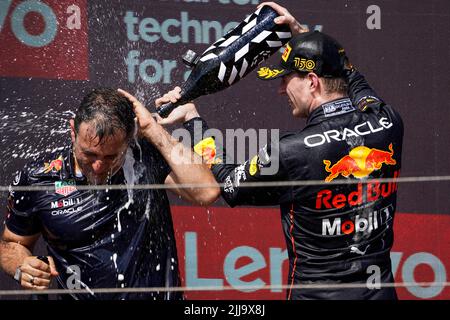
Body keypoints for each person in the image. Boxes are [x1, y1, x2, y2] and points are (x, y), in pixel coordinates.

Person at [155, 2, 404, 300]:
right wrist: (305, 38)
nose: (280, 88)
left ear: (312, 82)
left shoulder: (292, 152)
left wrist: (193, 120)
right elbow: (353, 77)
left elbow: (229, 184)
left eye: (286, 79)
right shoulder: (388, 121)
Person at [0, 87, 220, 300]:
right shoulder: (40, 178)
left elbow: (207, 191)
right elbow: (12, 243)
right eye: (89, 154)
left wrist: (153, 130)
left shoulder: (143, 154)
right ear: (72, 132)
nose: (98, 166)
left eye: (110, 157)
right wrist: (22, 266)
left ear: (127, 141)